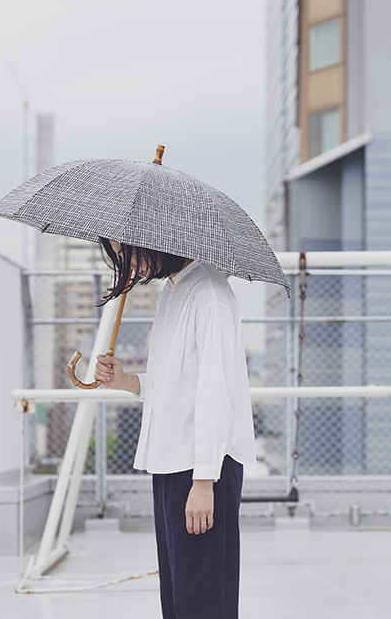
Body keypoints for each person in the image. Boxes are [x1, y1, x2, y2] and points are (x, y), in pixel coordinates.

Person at [94, 238, 256, 619]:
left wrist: (203, 483)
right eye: (119, 255)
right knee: (179, 597)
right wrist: (127, 381)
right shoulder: (174, 290)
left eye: (127, 253)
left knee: (203, 600)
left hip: (202, 467)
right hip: (173, 463)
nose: (127, 264)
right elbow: (175, 384)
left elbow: (216, 394)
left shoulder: (210, 296)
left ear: (156, 240)